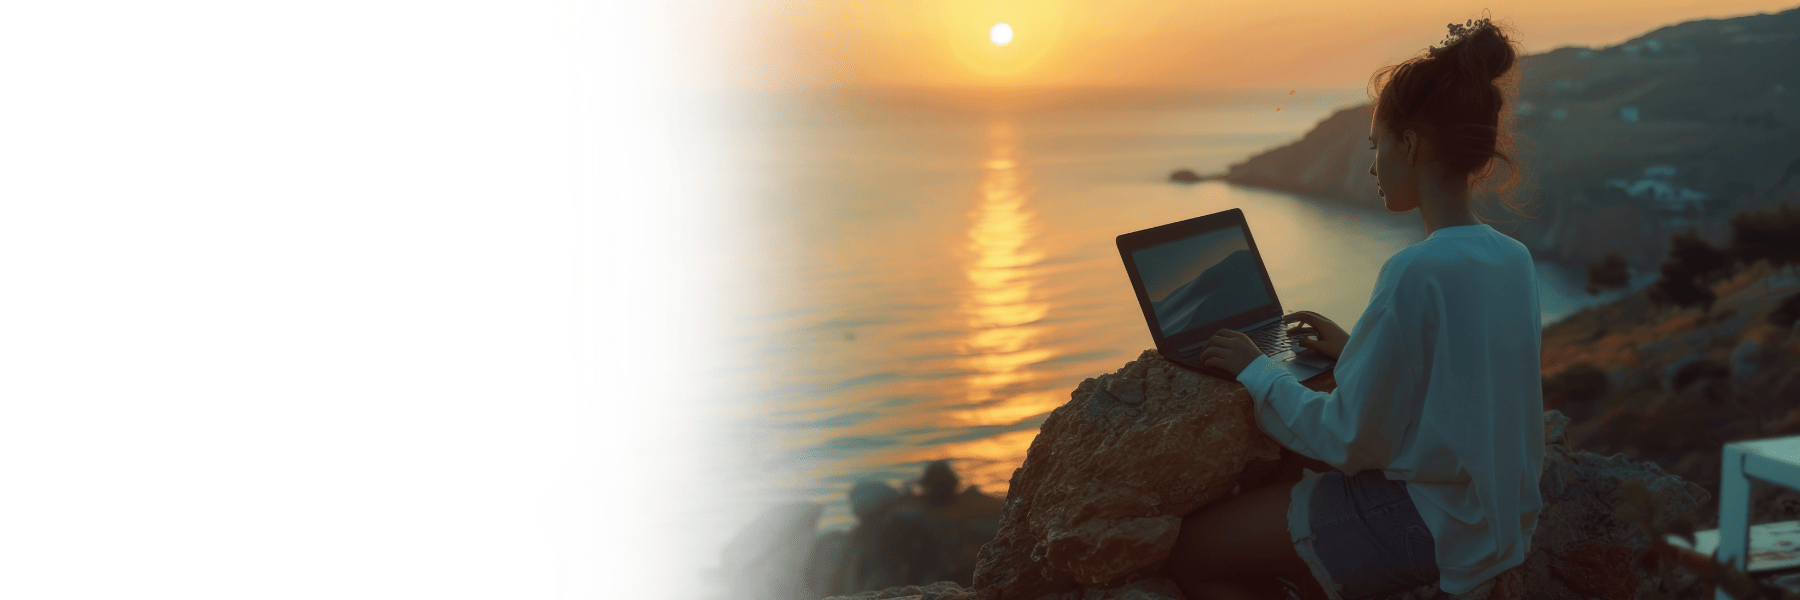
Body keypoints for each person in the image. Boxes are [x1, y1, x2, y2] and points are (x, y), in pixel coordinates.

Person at [1159, 13, 1545, 600]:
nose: (1371, 167)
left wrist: (1254, 367)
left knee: (1193, 554)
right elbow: (1464, 376)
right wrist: (1356, 350)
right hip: (1491, 517)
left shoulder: (1416, 270)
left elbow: (1349, 440)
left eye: (1376, 146)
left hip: (1430, 522)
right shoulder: (1511, 258)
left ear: (1409, 145)